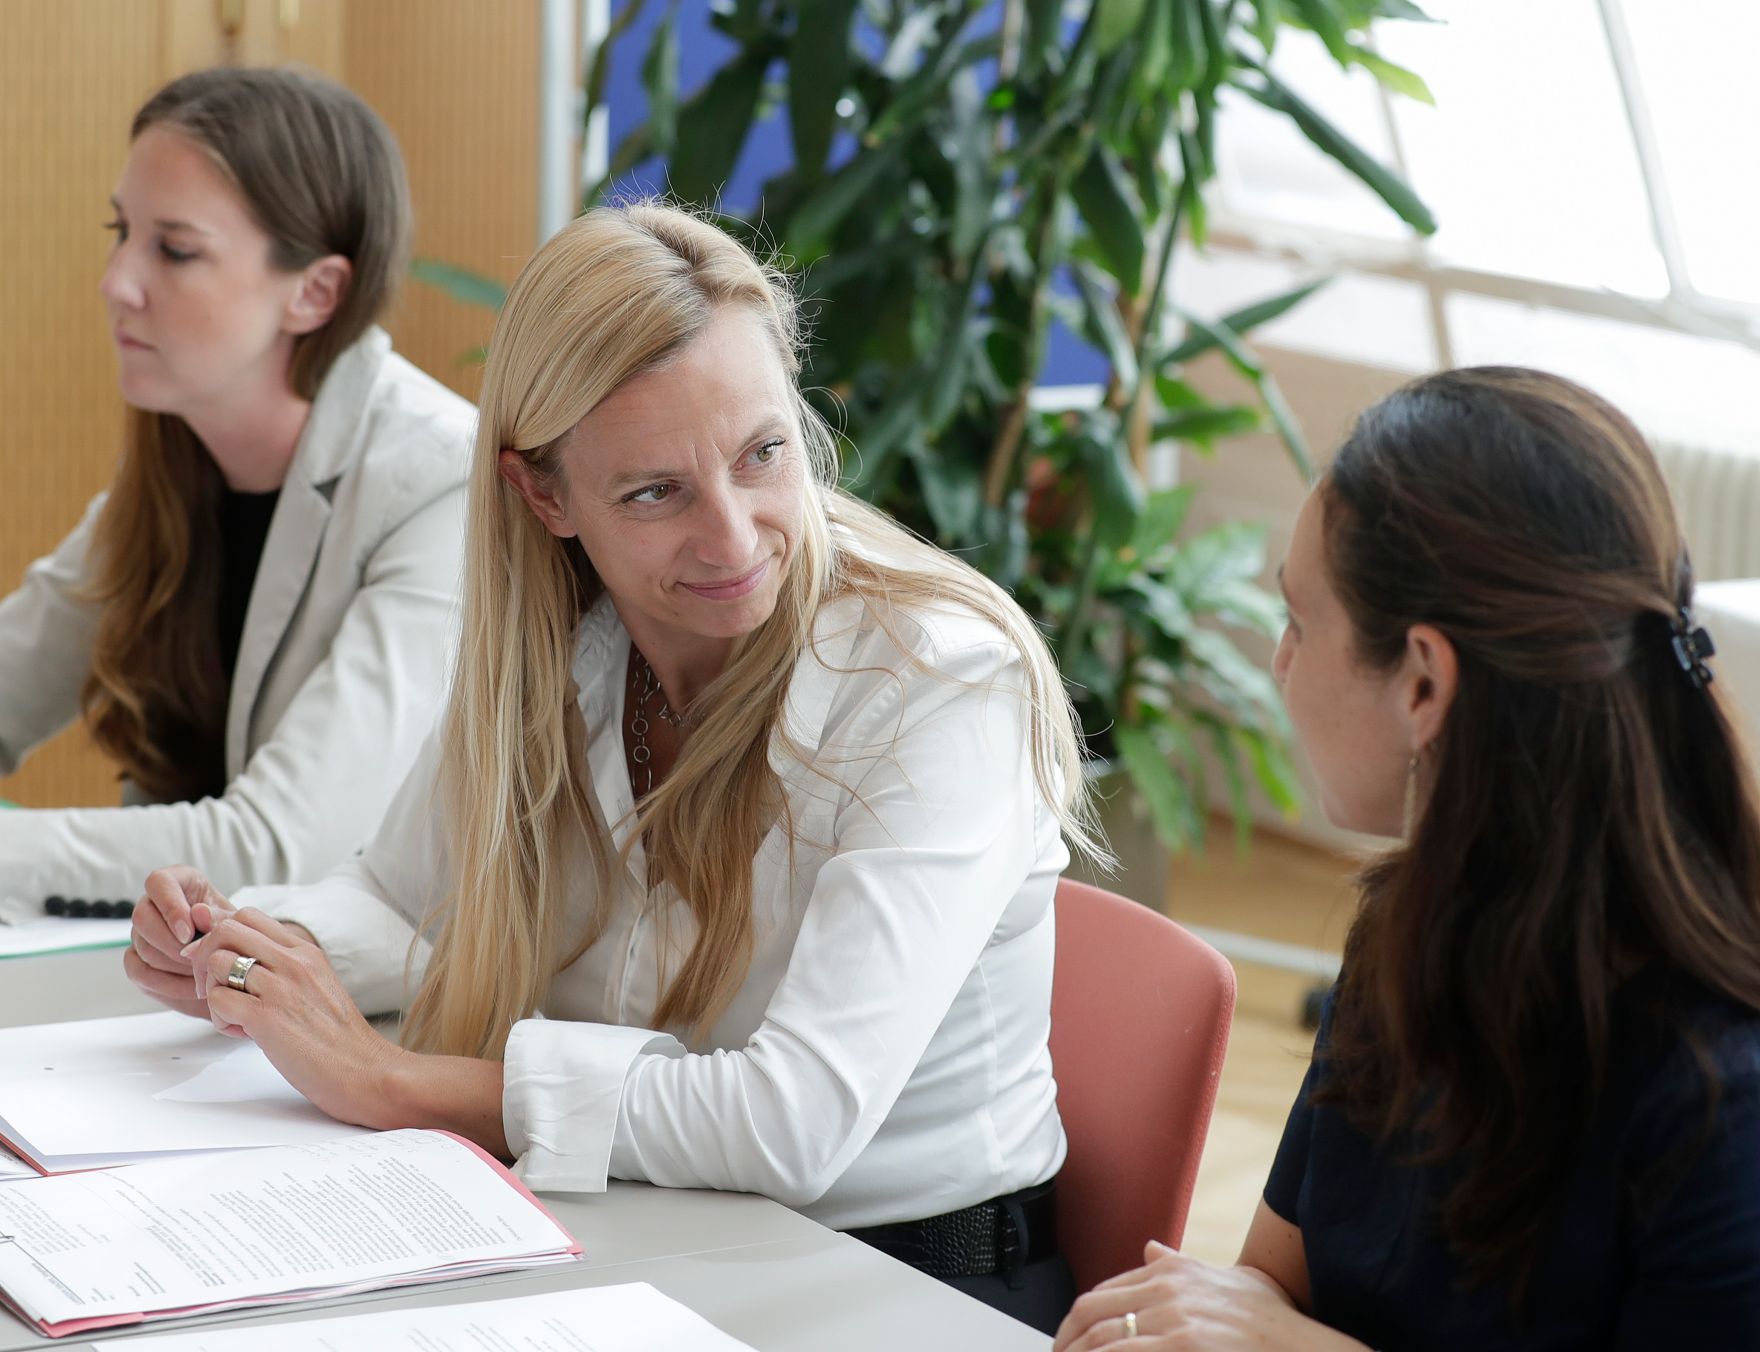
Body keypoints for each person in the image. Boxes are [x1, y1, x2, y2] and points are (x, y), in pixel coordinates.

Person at [123, 202, 1107, 1333]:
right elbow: (401, 899)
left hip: (903, 1285)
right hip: (641, 1233)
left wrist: (392, 1083)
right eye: (654, 492)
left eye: (762, 454)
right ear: (543, 495)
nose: (732, 538)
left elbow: (789, 1124)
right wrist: (244, 950)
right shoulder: (569, 645)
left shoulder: (939, 684)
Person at [1053, 368, 1760, 1351]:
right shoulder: (1407, 930)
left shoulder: (1721, 1098)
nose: (1279, 662)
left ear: (1423, 681)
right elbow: (1266, 1290)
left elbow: (1276, 1333)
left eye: (1299, 623)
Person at [0, 67, 473, 918]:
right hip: (179, 980)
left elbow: (276, 849)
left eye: (175, 250)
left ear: (315, 292)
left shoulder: (440, 483)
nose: (116, 281)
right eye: (122, 231)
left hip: (381, 989)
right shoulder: (174, 465)